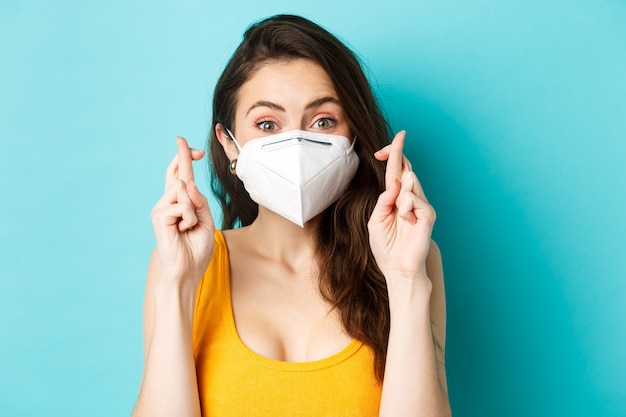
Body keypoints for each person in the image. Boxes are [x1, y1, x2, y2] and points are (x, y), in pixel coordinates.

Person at [132, 14, 450, 417]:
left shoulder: (412, 260)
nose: (296, 142)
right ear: (229, 144)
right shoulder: (178, 266)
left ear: (354, 136)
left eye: (323, 121)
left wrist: (405, 281)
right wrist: (179, 284)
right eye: (267, 124)